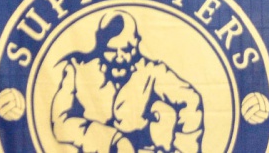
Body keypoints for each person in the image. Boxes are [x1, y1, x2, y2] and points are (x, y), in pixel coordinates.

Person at [52, 10, 203, 152]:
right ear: (101, 44)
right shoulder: (77, 69)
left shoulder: (151, 71)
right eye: (111, 50)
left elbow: (190, 100)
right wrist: (110, 139)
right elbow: (60, 122)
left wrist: (183, 148)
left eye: (126, 50)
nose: (119, 58)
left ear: (136, 43)